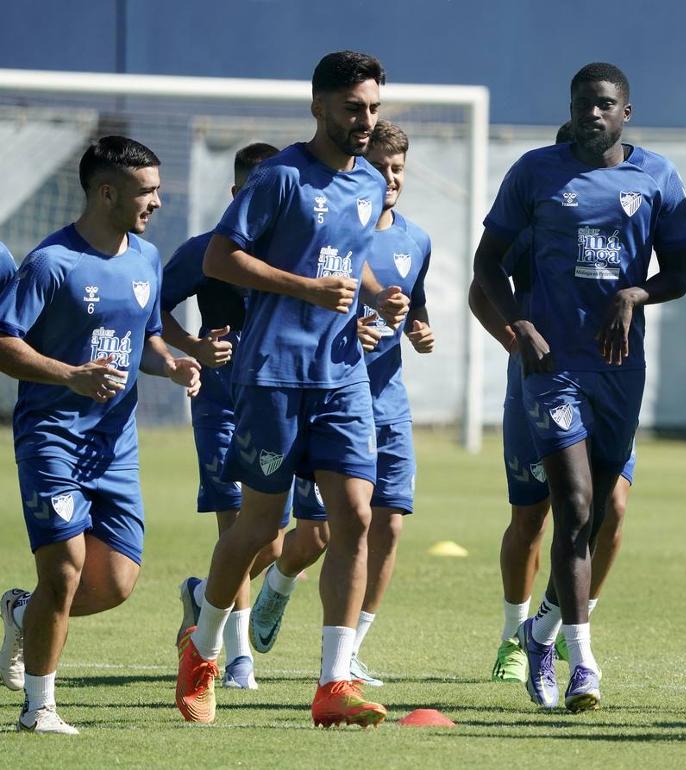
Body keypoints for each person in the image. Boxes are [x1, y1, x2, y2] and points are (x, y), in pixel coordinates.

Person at [173, 50, 408, 727]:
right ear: (319, 107)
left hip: (341, 376)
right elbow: (223, 257)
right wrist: (306, 288)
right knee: (256, 529)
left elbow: (349, 258)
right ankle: (205, 647)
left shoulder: (368, 182)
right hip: (274, 374)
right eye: (352, 108)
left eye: (373, 108)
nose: (365, 121)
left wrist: (378, 299)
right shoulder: (279, 177)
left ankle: (334, 683)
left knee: (355, 517)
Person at [473, 62, 686, 711]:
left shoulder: (656, 177)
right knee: (569, 504)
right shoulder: (535, 173)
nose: (591, 114)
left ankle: (540, 636)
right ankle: (583, 662)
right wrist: (519, 325)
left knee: (601, 511)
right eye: (581, 104)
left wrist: (637, 291)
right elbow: (487, 264)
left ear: (626, 111)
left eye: (603, 104)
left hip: (619, 369)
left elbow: (679, 273)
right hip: (552, 370)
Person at [0, 136, 201, 734]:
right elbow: (6, 343)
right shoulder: (51, 263)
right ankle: (39, 709)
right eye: (147, 191)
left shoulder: (145, 258)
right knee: (64, 568)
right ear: (105, 192)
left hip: (115, 448)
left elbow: (145, 342)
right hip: (52, 437)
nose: (158, 202)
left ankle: (18, 613)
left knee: (113, 584)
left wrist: (174, 364)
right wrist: (69, 376)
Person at [246, 119, 434, 688]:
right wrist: (355, 325)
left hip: (387, 403)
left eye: (400, 169)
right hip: (323, 392)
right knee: (320, 534)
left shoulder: (416, 238)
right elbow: (318, 293)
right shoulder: (328, 223)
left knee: (389, 526)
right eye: (382, 168)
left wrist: (419, 328)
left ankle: (348, 656)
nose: (392, 179)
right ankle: (275, 582)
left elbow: (410, 304)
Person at [469, 122, 636, 684]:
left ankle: (561, 621)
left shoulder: (633, 196)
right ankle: (513, 635)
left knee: (608, 510)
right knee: (532, 515)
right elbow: (481, 286)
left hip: (610, 382)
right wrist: (519, 343)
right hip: (541, 386)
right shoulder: (538, 205)